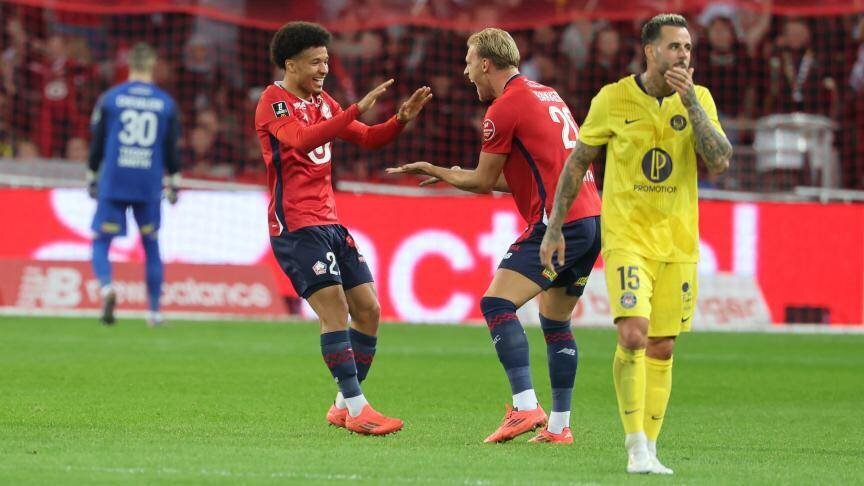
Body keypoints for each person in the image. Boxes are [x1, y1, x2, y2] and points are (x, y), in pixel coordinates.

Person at [387, 28, 601, 444]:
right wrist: (449, 173)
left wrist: (440, 170)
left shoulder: (503, 108)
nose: (467, 74)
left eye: (469, 63)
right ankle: (559, 427)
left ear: (486, 63)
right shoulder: (546, 93)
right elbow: (521, 177)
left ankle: (524, 407)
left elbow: (484, 179)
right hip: (592, 220)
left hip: (559, 222)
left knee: (496, 303)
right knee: (555, 322)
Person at [540, 14, 732, 474]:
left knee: (663, 347)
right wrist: (554, 227)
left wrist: (693, 105)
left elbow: (720, 159)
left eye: (687, 47)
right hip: (627, 238)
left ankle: (651, 446)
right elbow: (577, 163)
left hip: (678, 242)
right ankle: (634, 447)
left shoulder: (698, 99)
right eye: (674, 47)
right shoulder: (613, 98)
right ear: (650, 51)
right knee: (633, 333)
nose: (683, 55)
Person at [254, 21, 432, 436]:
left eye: (326, 62)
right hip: (294, 225)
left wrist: (399, 120)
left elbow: (368, 139)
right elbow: (299, 140)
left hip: (330, 221)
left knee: (368, 309)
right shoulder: (273, 102)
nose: (323, 69)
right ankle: (359, 408)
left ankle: (341, 405)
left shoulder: (323, 100)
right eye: (315, 62)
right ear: (290, 63)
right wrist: (353, 110)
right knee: (334, 310)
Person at [87, 43, 181, 327]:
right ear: (152, 64)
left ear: (129, 64)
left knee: (101, 241)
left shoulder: (111, 98)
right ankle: (153, 313)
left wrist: (92, 175)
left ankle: (107, 288)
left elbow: (98, 141)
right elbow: (171, 148)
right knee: (151, 245)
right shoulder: (165, 103)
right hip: (148, 182)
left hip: (115, 179)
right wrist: (174, 180)